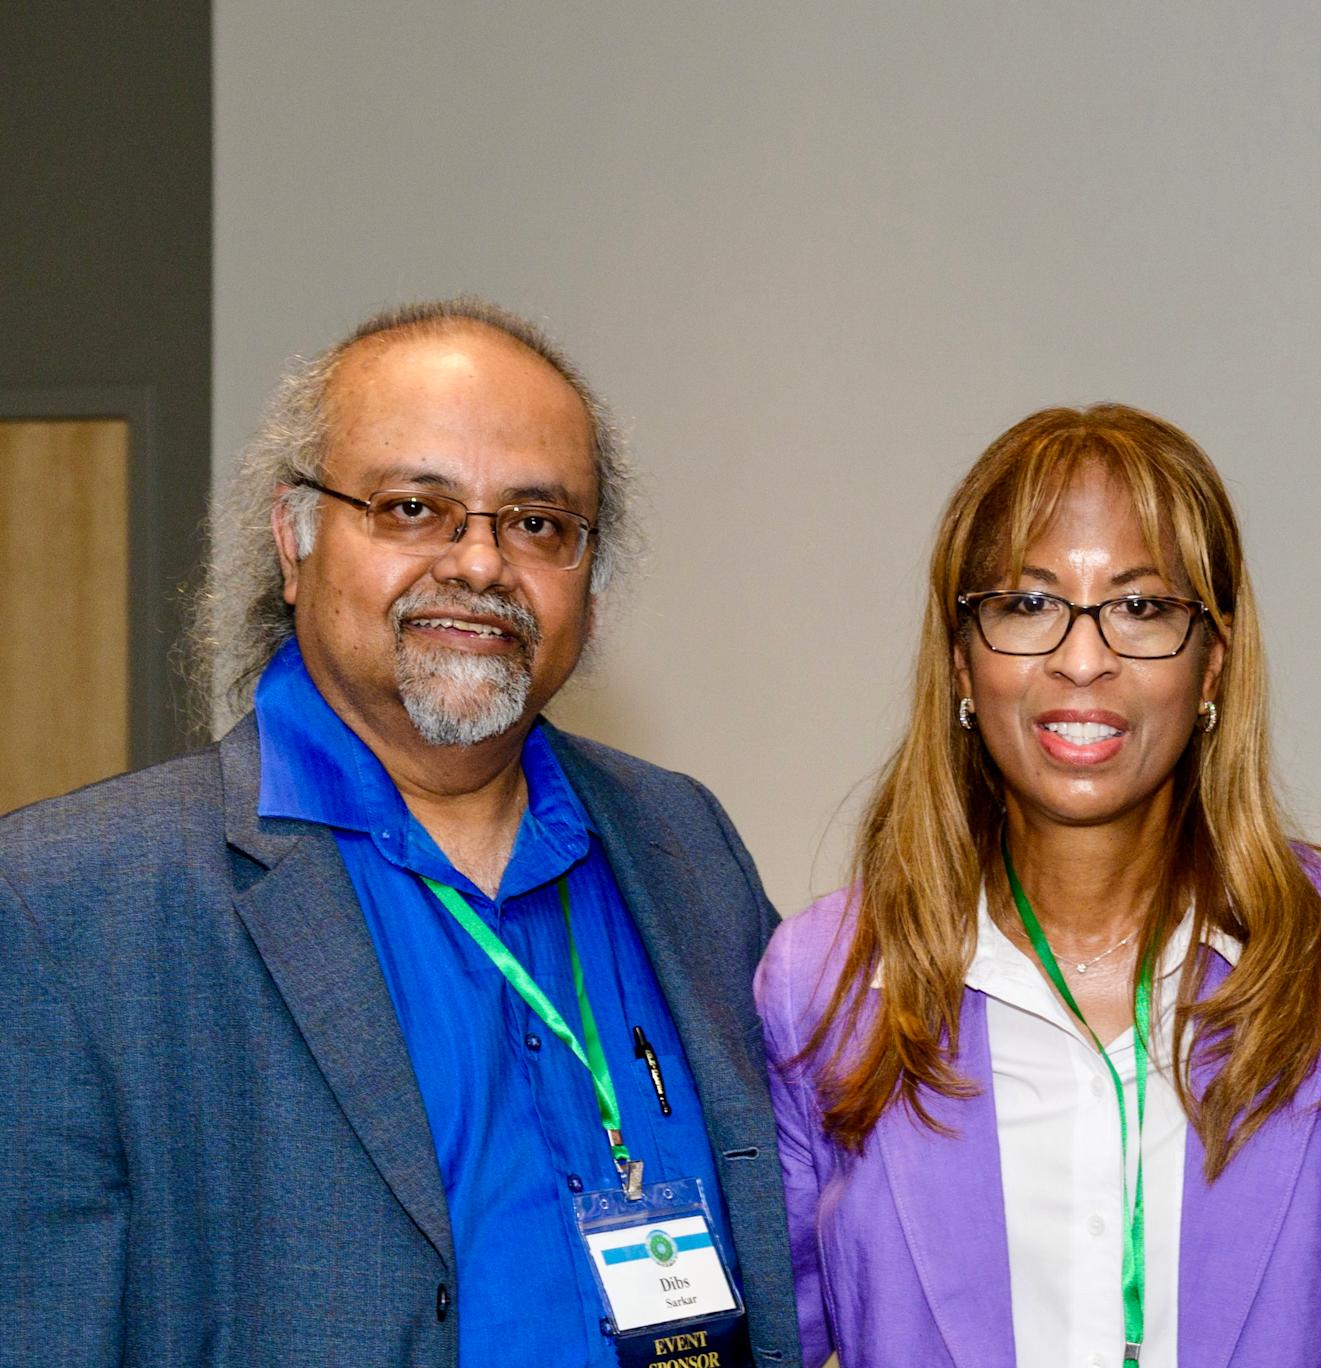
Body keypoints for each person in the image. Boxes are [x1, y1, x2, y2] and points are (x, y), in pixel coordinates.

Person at [0, 300, 800, 1367]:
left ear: (590, 585)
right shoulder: (68, 905)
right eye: (415, 506)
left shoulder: (682, 843)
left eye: (538, 522)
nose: (480, 564)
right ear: (296, 539)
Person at [755, 404, 1321, 1368]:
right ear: (962, 661)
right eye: (1027, 604)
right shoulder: (825, 981)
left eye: (1142, 608)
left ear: (1212, 660)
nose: (1083, 657)